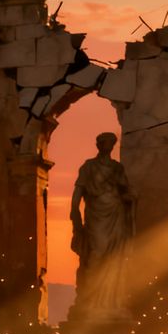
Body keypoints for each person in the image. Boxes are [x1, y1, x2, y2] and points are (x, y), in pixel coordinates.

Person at [69, 132, 135, 320]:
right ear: (98, 145)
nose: (107, 146)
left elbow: (126, 190)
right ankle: (90, 300)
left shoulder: (117, 168)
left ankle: (112, 301)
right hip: (97, 216)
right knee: (96, 255)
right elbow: (78, 192)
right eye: (104, 143)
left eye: (111, 143)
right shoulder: (89, 167)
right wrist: (74, 213)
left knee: (115, 258)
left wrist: (131, 198)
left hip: (116, 214)